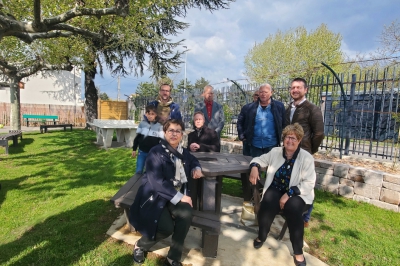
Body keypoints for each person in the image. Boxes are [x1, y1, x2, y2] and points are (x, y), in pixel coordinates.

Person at [129, 119, 204, 266]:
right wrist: (180, 196)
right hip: (154, 196)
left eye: (178, 131)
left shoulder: (183, 151)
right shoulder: (155, 152)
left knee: (186, 213)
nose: (174, 134)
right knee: (166, 228)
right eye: (171, 130)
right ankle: (140, 245)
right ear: (165, 133)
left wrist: (197, 168)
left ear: (182, 135)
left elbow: (193, 159)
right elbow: (156, 181)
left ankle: (172, 257)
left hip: (172, 195)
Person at [249, 123, 316, 266]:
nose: (290, 141)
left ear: (299, 141)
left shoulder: (306, 158)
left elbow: (309, 183)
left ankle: (298, 252)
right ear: (283, 138)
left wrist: (289, 194)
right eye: (287, 137)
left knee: (293, 208)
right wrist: (255, 167)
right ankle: (262, 236)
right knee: (268, 200)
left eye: (294, 138)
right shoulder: (275, 152)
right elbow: (259, 159)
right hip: (277, 188)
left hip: (298, 193)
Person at [285, 77, 324, 227]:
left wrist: (309, 150)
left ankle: (305, 218)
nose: (295, 90)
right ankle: (291, 211)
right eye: (292, 87)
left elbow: (319, 133)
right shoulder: (289, 108)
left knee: (306, 185)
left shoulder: (312, 109)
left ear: (305, 90)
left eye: (298, 87)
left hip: (304, 152)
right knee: (291, 182)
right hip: (289, 152)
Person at [236, 84, 286, 158]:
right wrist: (242, 136)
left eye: (266, 92)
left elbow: (284, 123)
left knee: (270, 168)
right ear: (258, 93)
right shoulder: (248, 108)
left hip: (272, 145)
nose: (263, 94)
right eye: (261, 92)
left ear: (271, 93)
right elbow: (240, 122)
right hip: (254, 146)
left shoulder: (279, 106)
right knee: (254, 167)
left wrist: (284, 139)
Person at [132, 105, 164, 174]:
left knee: (149, 172)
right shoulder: (142, 124)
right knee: (139, 171)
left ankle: (147, 184)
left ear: (156, 115)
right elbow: (137, 137)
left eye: (152, 114)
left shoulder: (159, 126)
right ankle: (137, 184)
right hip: (142, 152)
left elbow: (162, 141)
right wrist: (134, 149)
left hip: (152, 154)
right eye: (148, 113)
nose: (150, 116)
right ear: (146, 114)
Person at [237, 89, 259, 156]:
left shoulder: (267, 108)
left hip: (260, 142)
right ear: (253, 96)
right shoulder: (246, 108)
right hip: (248, 141)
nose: (258, 97)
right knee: (246, 162)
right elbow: (240, 122)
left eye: (259, 95)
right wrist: (242, 136)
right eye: (256, 95)